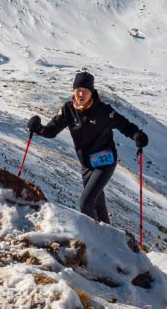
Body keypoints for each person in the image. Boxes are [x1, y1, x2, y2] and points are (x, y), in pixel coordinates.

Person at [29, 71, 148, 225]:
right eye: (78, 90)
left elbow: (124, 125)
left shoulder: (103, 110)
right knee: (97, 204)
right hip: (86, 164)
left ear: (91, 93)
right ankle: (110, 238)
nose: (81, 93)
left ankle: (96, 240)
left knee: (85, 203)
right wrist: (39, 129)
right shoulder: (68, 110)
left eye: (85, 91)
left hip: (105, 161)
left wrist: (137, 135)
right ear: (73, 91)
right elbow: (51, 131)